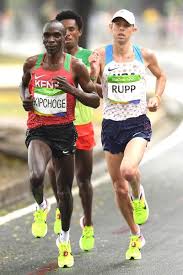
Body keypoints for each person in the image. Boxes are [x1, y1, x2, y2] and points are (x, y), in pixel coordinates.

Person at [20, 20, 100, 268]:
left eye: (57, 35)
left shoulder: (75, 65)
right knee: (36, 177)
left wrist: (72, 91)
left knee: (64, 192)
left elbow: (95, 99)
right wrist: (26, 99)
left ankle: (64, 239)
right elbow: (23, 85)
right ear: (43, 38)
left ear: (65, 37)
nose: (51, 40)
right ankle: (41, 205)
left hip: (65, 132)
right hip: (38, 129)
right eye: (47, 36)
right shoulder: (32, 63)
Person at [89, 9, 166, 260]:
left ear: (134, 30)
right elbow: (91, 85)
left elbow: (161, 75)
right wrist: (92, 71)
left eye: (126, 26)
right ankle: (136, 235)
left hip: (137, 123)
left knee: (128, 171)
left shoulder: (145, 55)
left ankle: (139, 194)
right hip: (111, 125)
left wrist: (156, 97)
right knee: (118, 188)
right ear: (111, 28)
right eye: (117, 25)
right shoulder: (100, 54)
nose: (121, 30)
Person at [46, 10, 97, 252]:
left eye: (71, 30)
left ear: (79, 32)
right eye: (62, 30)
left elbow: (99, 90)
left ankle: (87, 223)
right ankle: (61, 208)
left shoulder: (89, 57)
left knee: (83, 179)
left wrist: (93, 75)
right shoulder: (50, 58)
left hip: (82, 124)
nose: (66, 34)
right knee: (53, 174)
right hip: (57, 125)